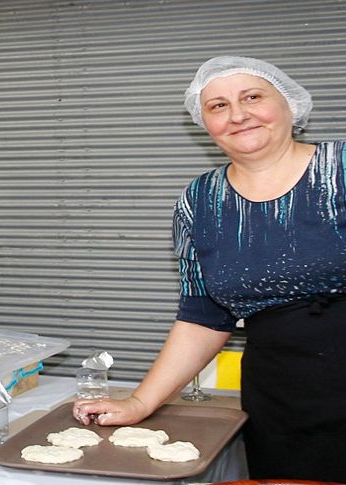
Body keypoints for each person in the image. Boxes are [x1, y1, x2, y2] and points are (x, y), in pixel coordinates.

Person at [73, 56, 346, 482]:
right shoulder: (200, 201)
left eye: (253, 97)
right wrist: (141, 403)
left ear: (290, 104)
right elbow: (203, 315)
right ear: (204, 123)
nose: (238, 114)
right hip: (283, 397)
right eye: (218, 106)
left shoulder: (341, 169)